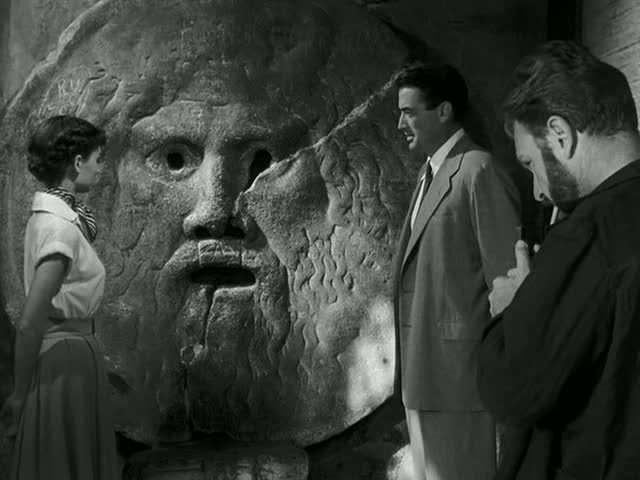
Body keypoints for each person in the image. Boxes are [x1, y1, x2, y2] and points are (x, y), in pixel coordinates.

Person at [479, 40, 640, 479]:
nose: (537, 191)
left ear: (560, 135)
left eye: (531, 163)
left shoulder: (587, 235)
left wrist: (515, 308)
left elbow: (513, 389)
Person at [392, 62, 521, 479]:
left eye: (409, 112)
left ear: (444, 111)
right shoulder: (429, 173)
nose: (400, 124)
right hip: (424, 374)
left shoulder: (478, 170)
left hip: (460, 380)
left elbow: (507, 283)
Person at [0, 115, 119, 479]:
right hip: (64, 360)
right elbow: (31, 320)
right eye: (97, 159)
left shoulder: (55, 220)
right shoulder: (58, 229)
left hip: (71, 355)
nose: (100, 168)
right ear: (77, 162)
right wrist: (19, 394)